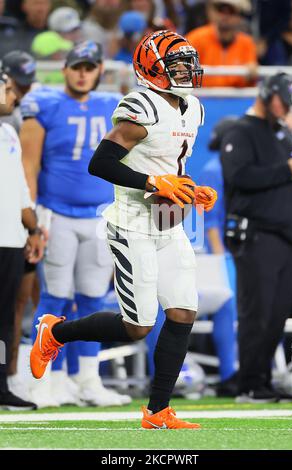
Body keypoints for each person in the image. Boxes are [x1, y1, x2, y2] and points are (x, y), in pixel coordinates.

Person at [30, 30, 218, 429]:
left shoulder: (193, 108)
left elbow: (170, 164)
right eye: (178, 65)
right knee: (138, 326)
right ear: (152, 69)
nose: (187, 72)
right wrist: (153, 183)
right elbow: (100, 163)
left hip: (170, 223)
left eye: (188, 64)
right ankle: (57, 332)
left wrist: (190, 188)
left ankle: (157, 411)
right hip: (132, 223)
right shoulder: (141, 107)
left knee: (183, 311)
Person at [20, 40, 129, 408]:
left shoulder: (112, 106)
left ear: (99, 70)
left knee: (93, 298)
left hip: (99, 214)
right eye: (77, 66)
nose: (83, 73)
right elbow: (29, 165)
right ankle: (46, 379)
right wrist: (32, 214)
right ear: (65, 68)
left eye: (90, 66)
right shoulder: (45, 105)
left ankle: (86, 379)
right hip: (57, 212)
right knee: (54, 296)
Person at [221, 72, 292, 403]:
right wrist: (289, 169)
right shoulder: (241, 131)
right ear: (268, 95)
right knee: (258, 313)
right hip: (258, 236)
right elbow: (238, 176)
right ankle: (250, 384)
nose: (285, 110)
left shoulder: (281, 132)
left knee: (278, 314)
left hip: (287, 238)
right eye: (283, 102)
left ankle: (264, 381)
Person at [0, 71, 44, 410]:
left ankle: (1, 383)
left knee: (4, 317)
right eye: (8, 89)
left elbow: (19, 193)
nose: (13, 97)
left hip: (11, 238)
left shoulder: (9, 132)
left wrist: (32, 230)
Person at [200, 117, 239, 396]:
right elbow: (211, 221)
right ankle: (230, 372)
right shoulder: (216, 169)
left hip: (234, 249)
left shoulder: (226, 167)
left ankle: (236, 370)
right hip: (221, 254)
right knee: (229, 305)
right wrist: (221, 259)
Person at [186, 0, 257, 87]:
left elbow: (250, 81)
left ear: (239, 17)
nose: (225, 16)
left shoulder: (247, 43)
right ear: (213, 13)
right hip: (200, 97)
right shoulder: (195, 39)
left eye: (231, 11)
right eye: (221, 10)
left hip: (234, 99)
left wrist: (251, 74)